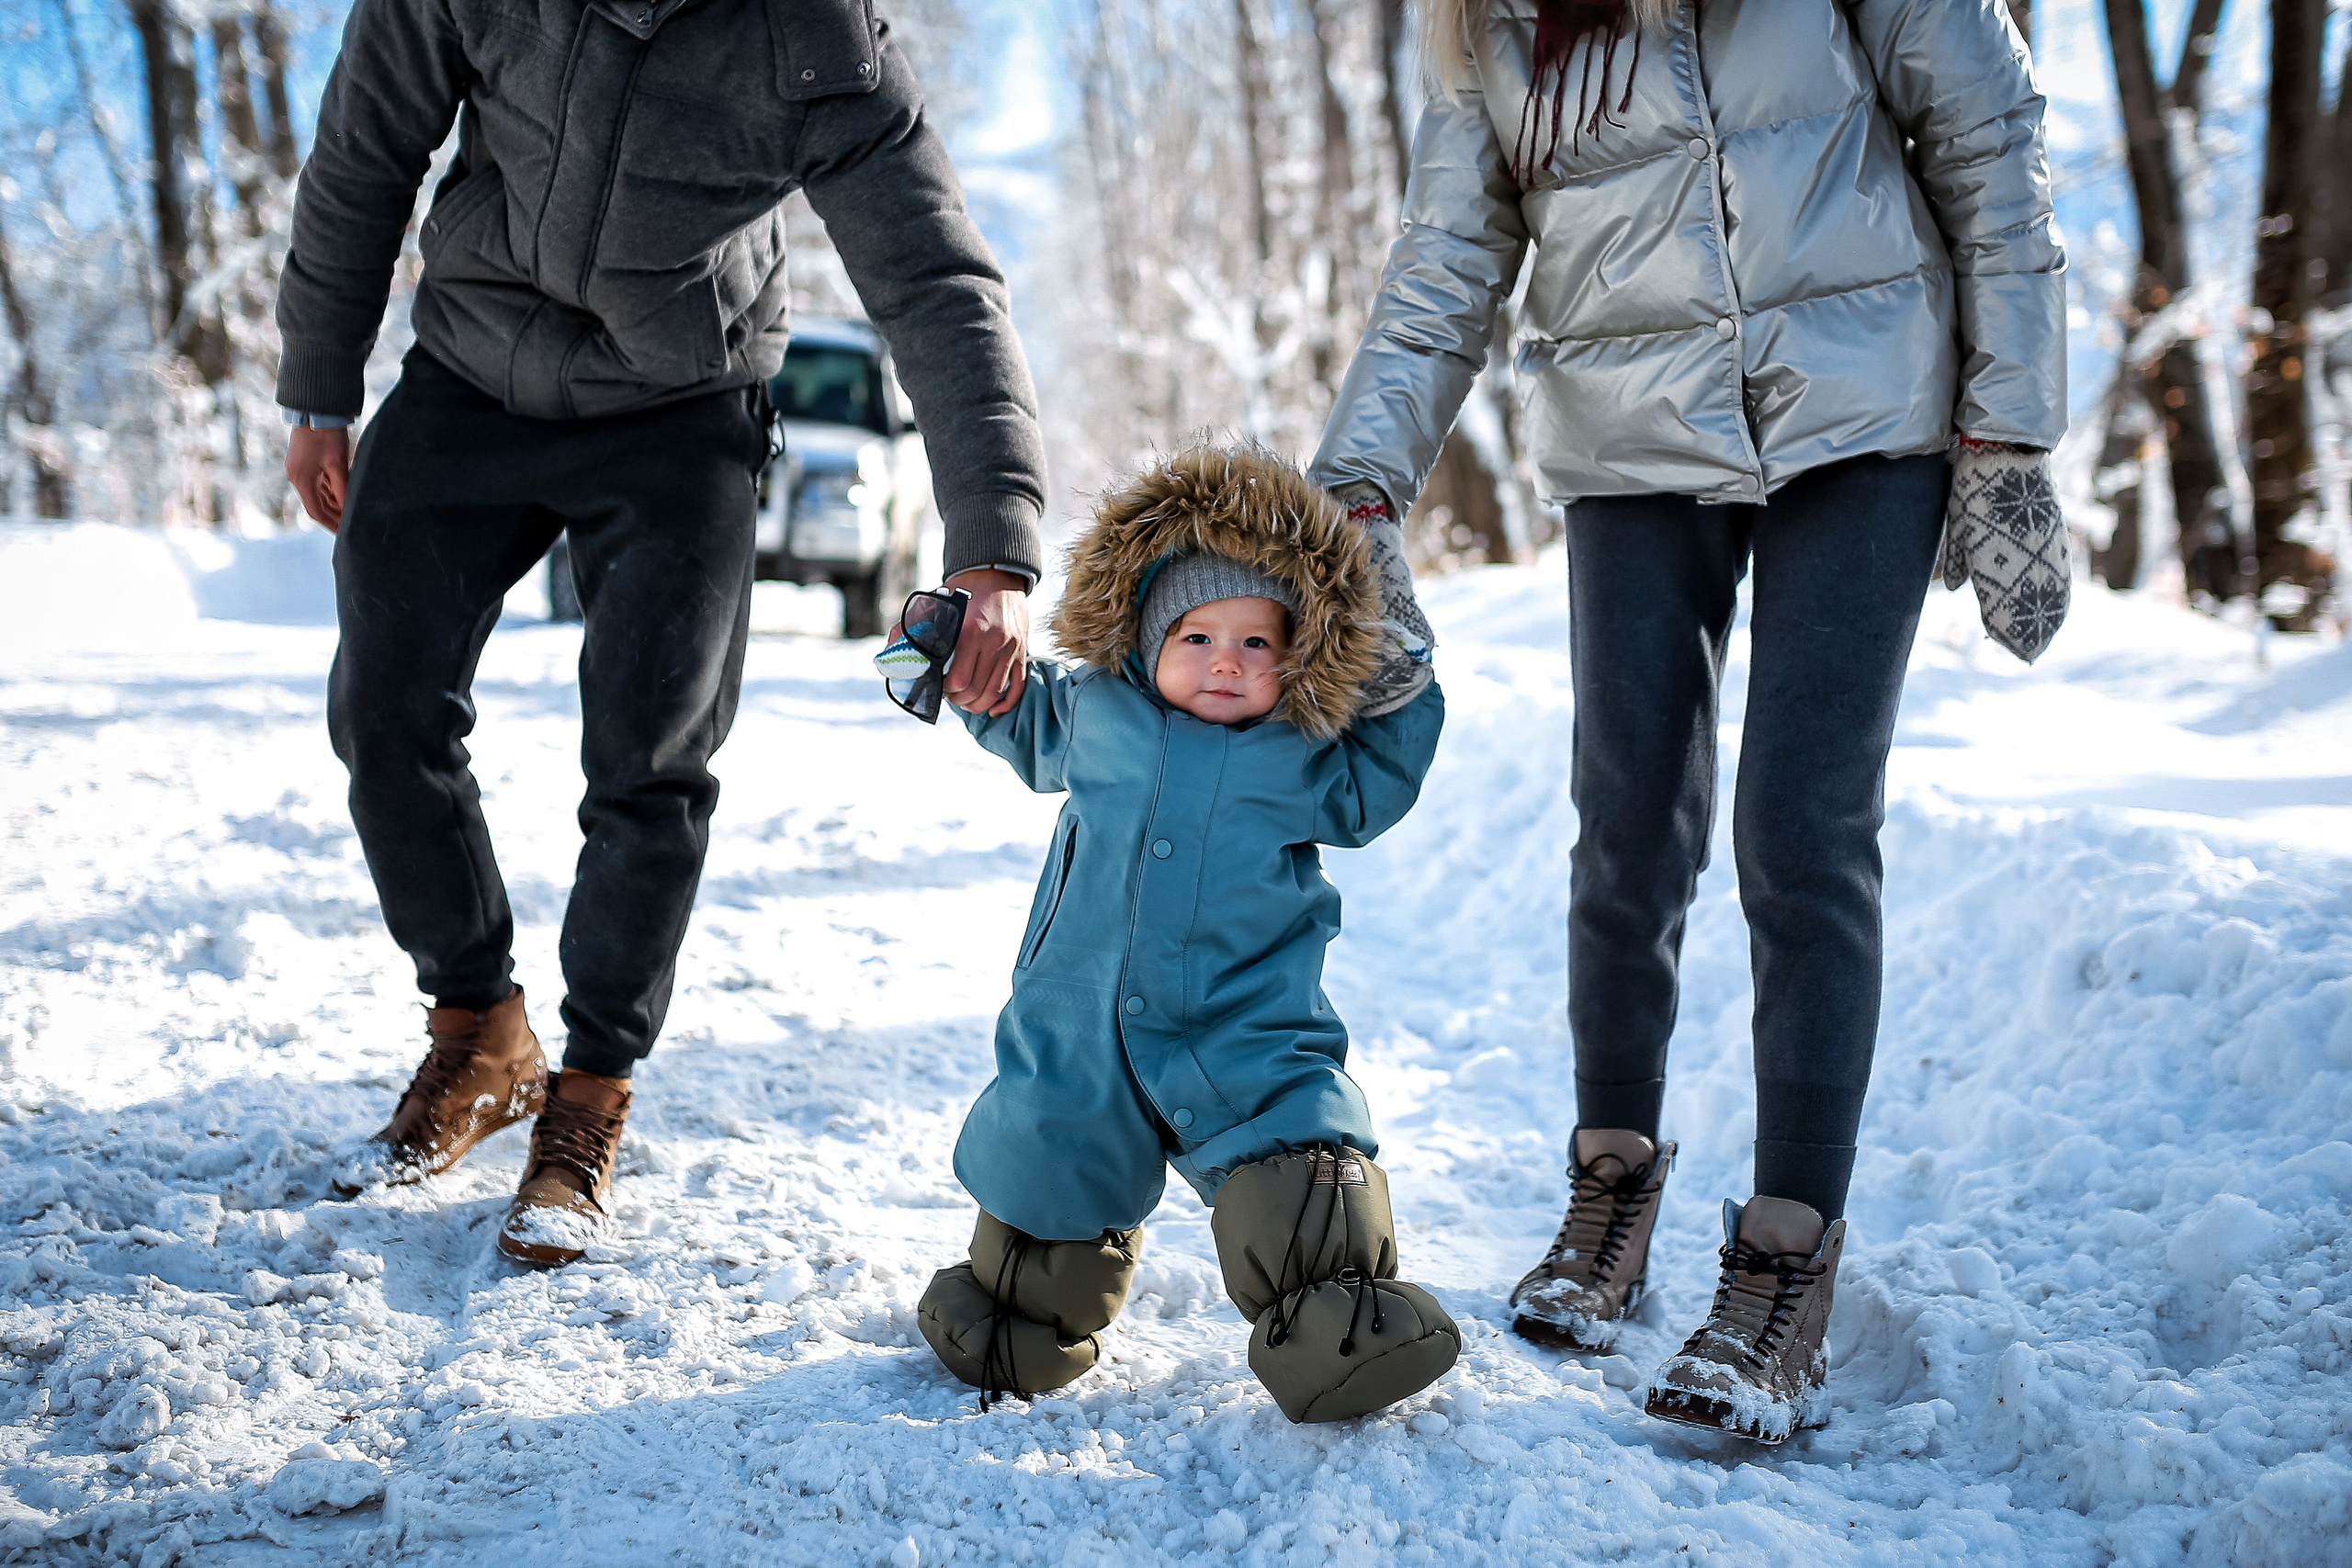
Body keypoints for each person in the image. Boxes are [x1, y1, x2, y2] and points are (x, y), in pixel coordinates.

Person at [1311, 0, 2068, 1440]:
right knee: (1630, 818)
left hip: (1867, 416)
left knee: (1803, 822)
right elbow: (1446, 261)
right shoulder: (1495, 27)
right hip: (1630, 436)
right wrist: (1359, 481)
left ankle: (1784, 1265)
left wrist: (2010, 422)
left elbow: (1989, 129)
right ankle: (1610, 1183)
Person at [276, 0, 1047, 1267]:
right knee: (385, 702)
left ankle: (588, 1095)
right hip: (472, 369)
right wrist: (320, 378)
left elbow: (934, 280)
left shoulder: (818, 40)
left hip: (682, 401)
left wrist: (993, 546)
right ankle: (479, 1030)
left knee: (651, 748)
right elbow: (367, 143)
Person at [904, 446, 1459, 1423]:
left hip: (1245, 1021)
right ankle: (1017, 1310)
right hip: (1083, 1026)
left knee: (1296, 1168)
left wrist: (1399, 647)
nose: (1226, 663)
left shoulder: (1301, 750)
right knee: (1052, 1173)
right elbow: (1015, 713)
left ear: (1295, 656)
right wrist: (955, 661)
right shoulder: (1095, 712)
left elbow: (1381, 779)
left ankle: (1340, 1324)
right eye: (1197, 636)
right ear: (1146, 639)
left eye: (1257, 642)